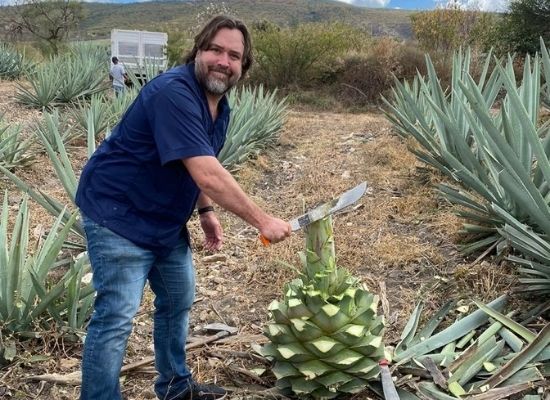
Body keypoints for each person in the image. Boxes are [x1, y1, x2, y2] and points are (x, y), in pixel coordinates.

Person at [75, 15, 291, 400]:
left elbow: (193, 164)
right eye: (214, 50)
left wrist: (205, 212)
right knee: (117, 318)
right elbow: (208, 172)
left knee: (177, 299)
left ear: (244, 65)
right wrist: (262, 221)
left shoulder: (218, 107)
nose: (223, 61)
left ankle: (175, 386)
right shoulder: (173, 93)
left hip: (163, 219)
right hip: (118, 212)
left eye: (234, 55)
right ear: (197, 51)